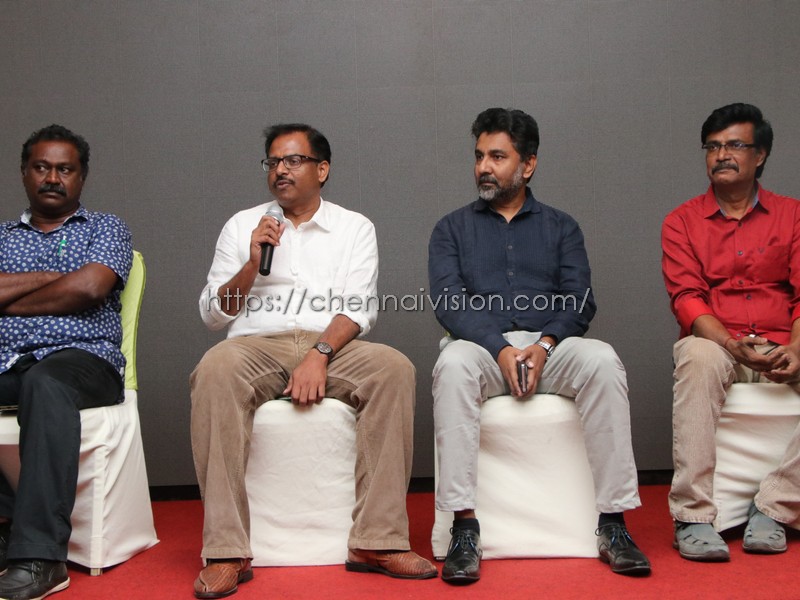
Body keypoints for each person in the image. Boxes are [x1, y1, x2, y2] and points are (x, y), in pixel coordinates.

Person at [190, 123, 437, 598]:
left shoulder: (354, 227)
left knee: (393, 368)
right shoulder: (242, 225)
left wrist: (319, 354)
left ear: (322, 169)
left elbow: (359, 307)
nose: (280, 170)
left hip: (333, 343)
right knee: (214, 369)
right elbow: (214, 316)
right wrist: (252, 262)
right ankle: (226, 551)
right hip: (257, 345)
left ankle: (377, 541)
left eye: (293, 160)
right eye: (273, 162)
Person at [428, 107, 650, 584]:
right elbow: (449, 303)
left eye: (497, 157)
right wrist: (498, 347)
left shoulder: (561, 227)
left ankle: (613, 523)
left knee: (603, 360)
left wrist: (546, 344)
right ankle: (463, 528)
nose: (483, 167)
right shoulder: (451, 229)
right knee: (453, 364)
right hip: (481, 348)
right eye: (479, 156)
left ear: (527, 164)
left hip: (551, 348)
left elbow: (580, 299)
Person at [662, 103, 800, 562]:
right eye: (713, 146)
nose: (721, 155)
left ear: (760, 155)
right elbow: (687, 298)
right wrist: (728, 344)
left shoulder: (793, 215)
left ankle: (776, 507)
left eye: (734, 145)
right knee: (696, 354)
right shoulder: (681, 221)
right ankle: (693, 516)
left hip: (784, 342)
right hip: (721, 345)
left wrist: (797, 348)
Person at [0, 124, 133, 600]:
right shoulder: (2, 236)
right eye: (42, 167)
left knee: (45, 382)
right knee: (35, 378)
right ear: (24, 172)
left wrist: (9, 299)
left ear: (81, 176)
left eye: (64, 169)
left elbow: (91, 287)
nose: (52, 178)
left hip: (84, 360)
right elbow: (72, 283)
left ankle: (41, 558)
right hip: (8, 362)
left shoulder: (106, 228)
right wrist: (53, 276)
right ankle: (7, 520)